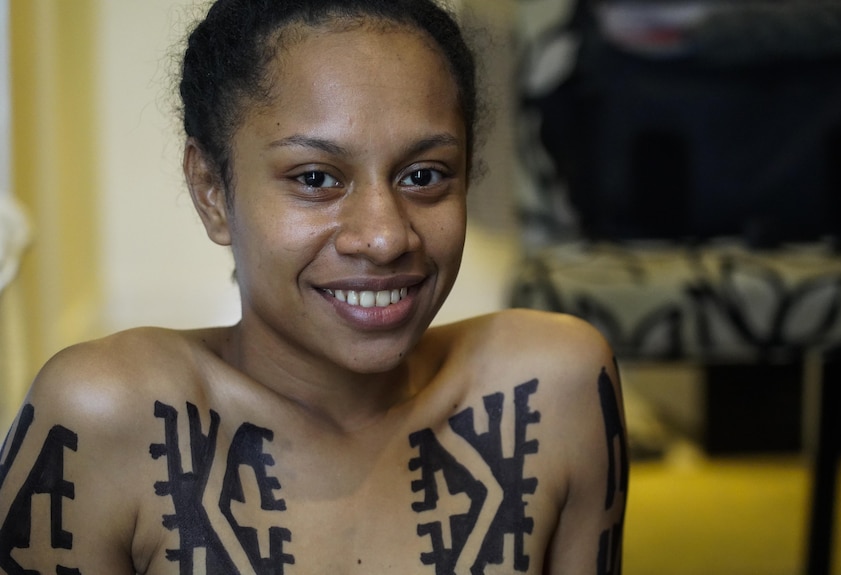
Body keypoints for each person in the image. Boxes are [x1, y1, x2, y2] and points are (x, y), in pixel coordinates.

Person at [0, 0, 628, 573]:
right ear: (212, 191)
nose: (385, 238)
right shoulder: (106, 417)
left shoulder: (551, 393)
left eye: (424, 174)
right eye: (316, 178)